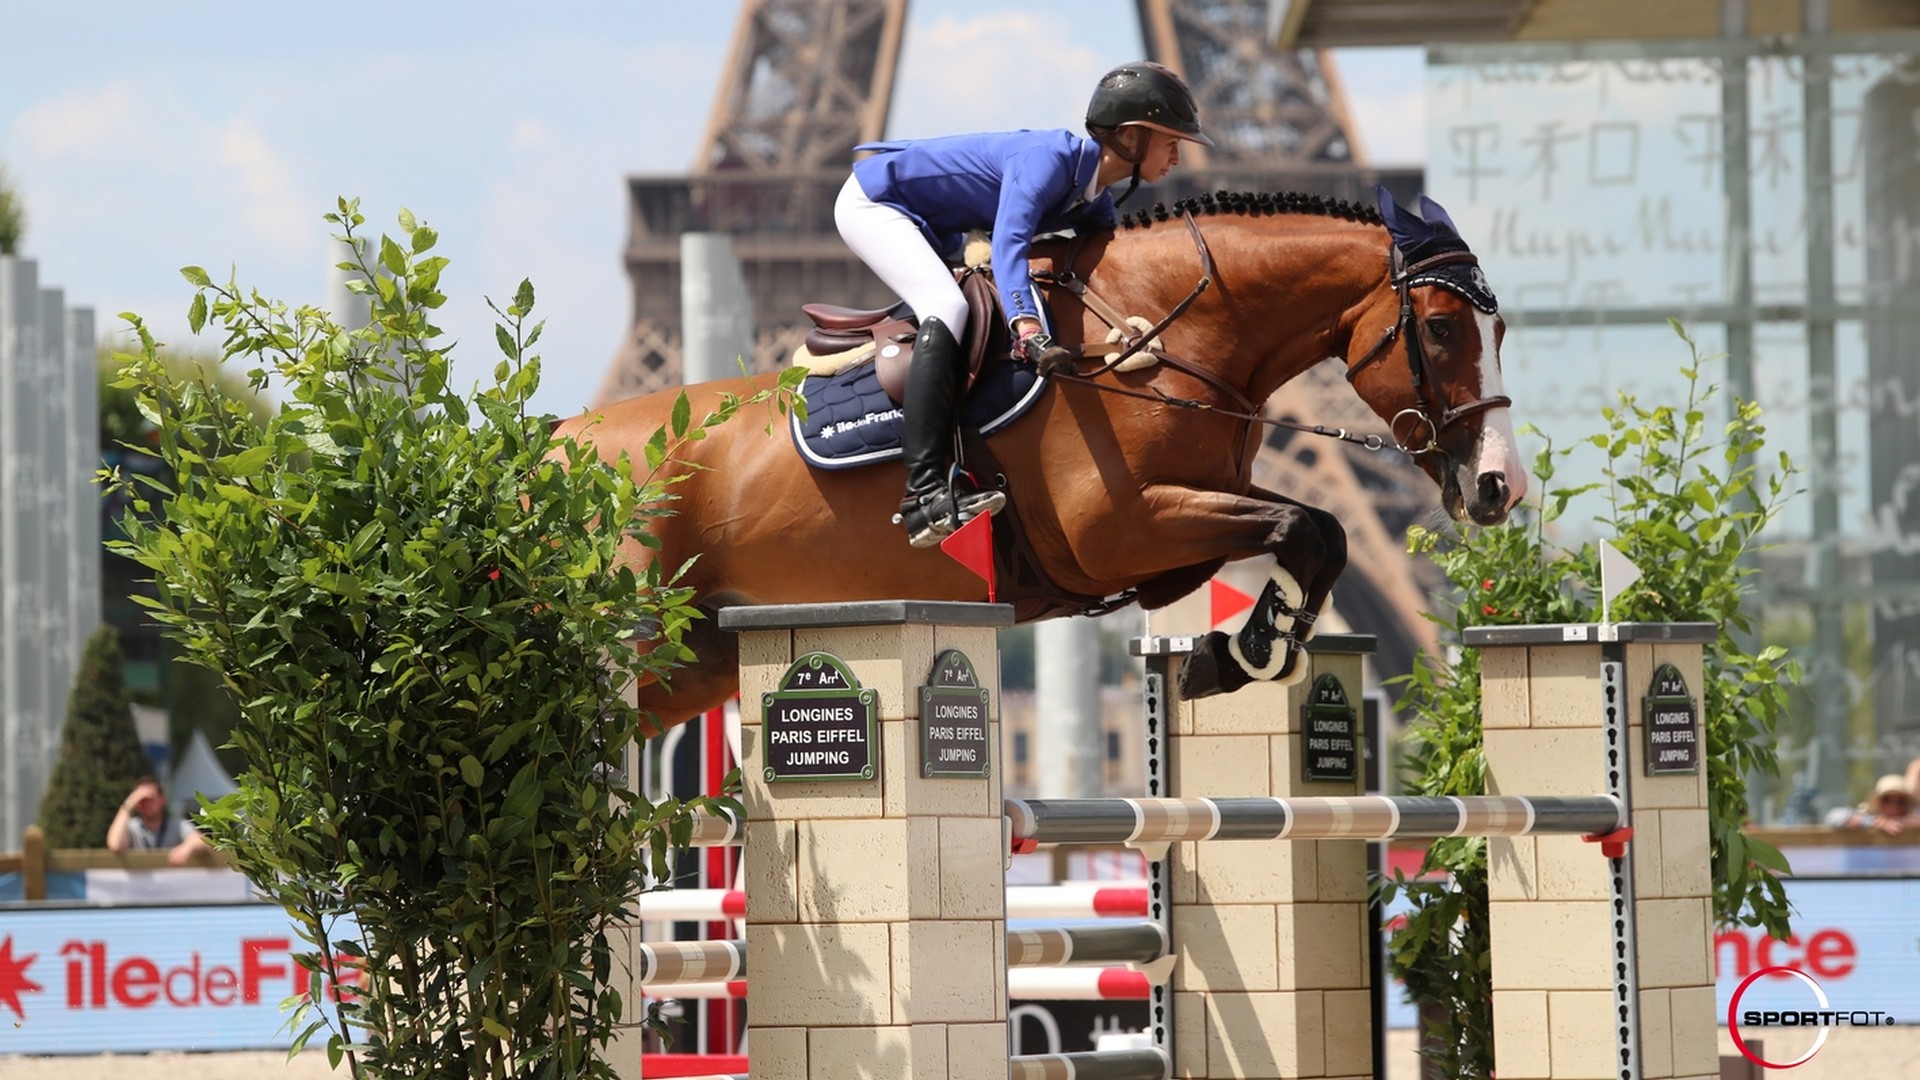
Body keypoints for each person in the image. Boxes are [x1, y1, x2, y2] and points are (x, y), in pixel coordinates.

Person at [836, 60, 1214, 547]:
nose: (1178, 159)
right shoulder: (1047, 161)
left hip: (931, 225)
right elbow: (1008, 244)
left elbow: (1105, 253)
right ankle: (923, 494)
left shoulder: (1091, 196)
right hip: (875, 204)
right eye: (1171, 142)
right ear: (1132, 138)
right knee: (947, 308)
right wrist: (1029, 329)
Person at [106, 776, 210, 865]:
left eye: (150, 799)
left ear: (162, 799)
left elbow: (202, 841)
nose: (146, 804)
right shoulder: (131, 827)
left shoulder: (177, 826)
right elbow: (115, 845)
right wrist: (128, 805)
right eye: (141, 800)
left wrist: (187, 848)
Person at [1837, 773, 1920, 837]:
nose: (1893, 806)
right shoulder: (1869, 818)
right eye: (1887, 800)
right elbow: (1835, 817)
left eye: (1900, 801)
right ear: (1879, 803)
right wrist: (1871, 822)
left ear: (1906, 805)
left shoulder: (1914, 820)